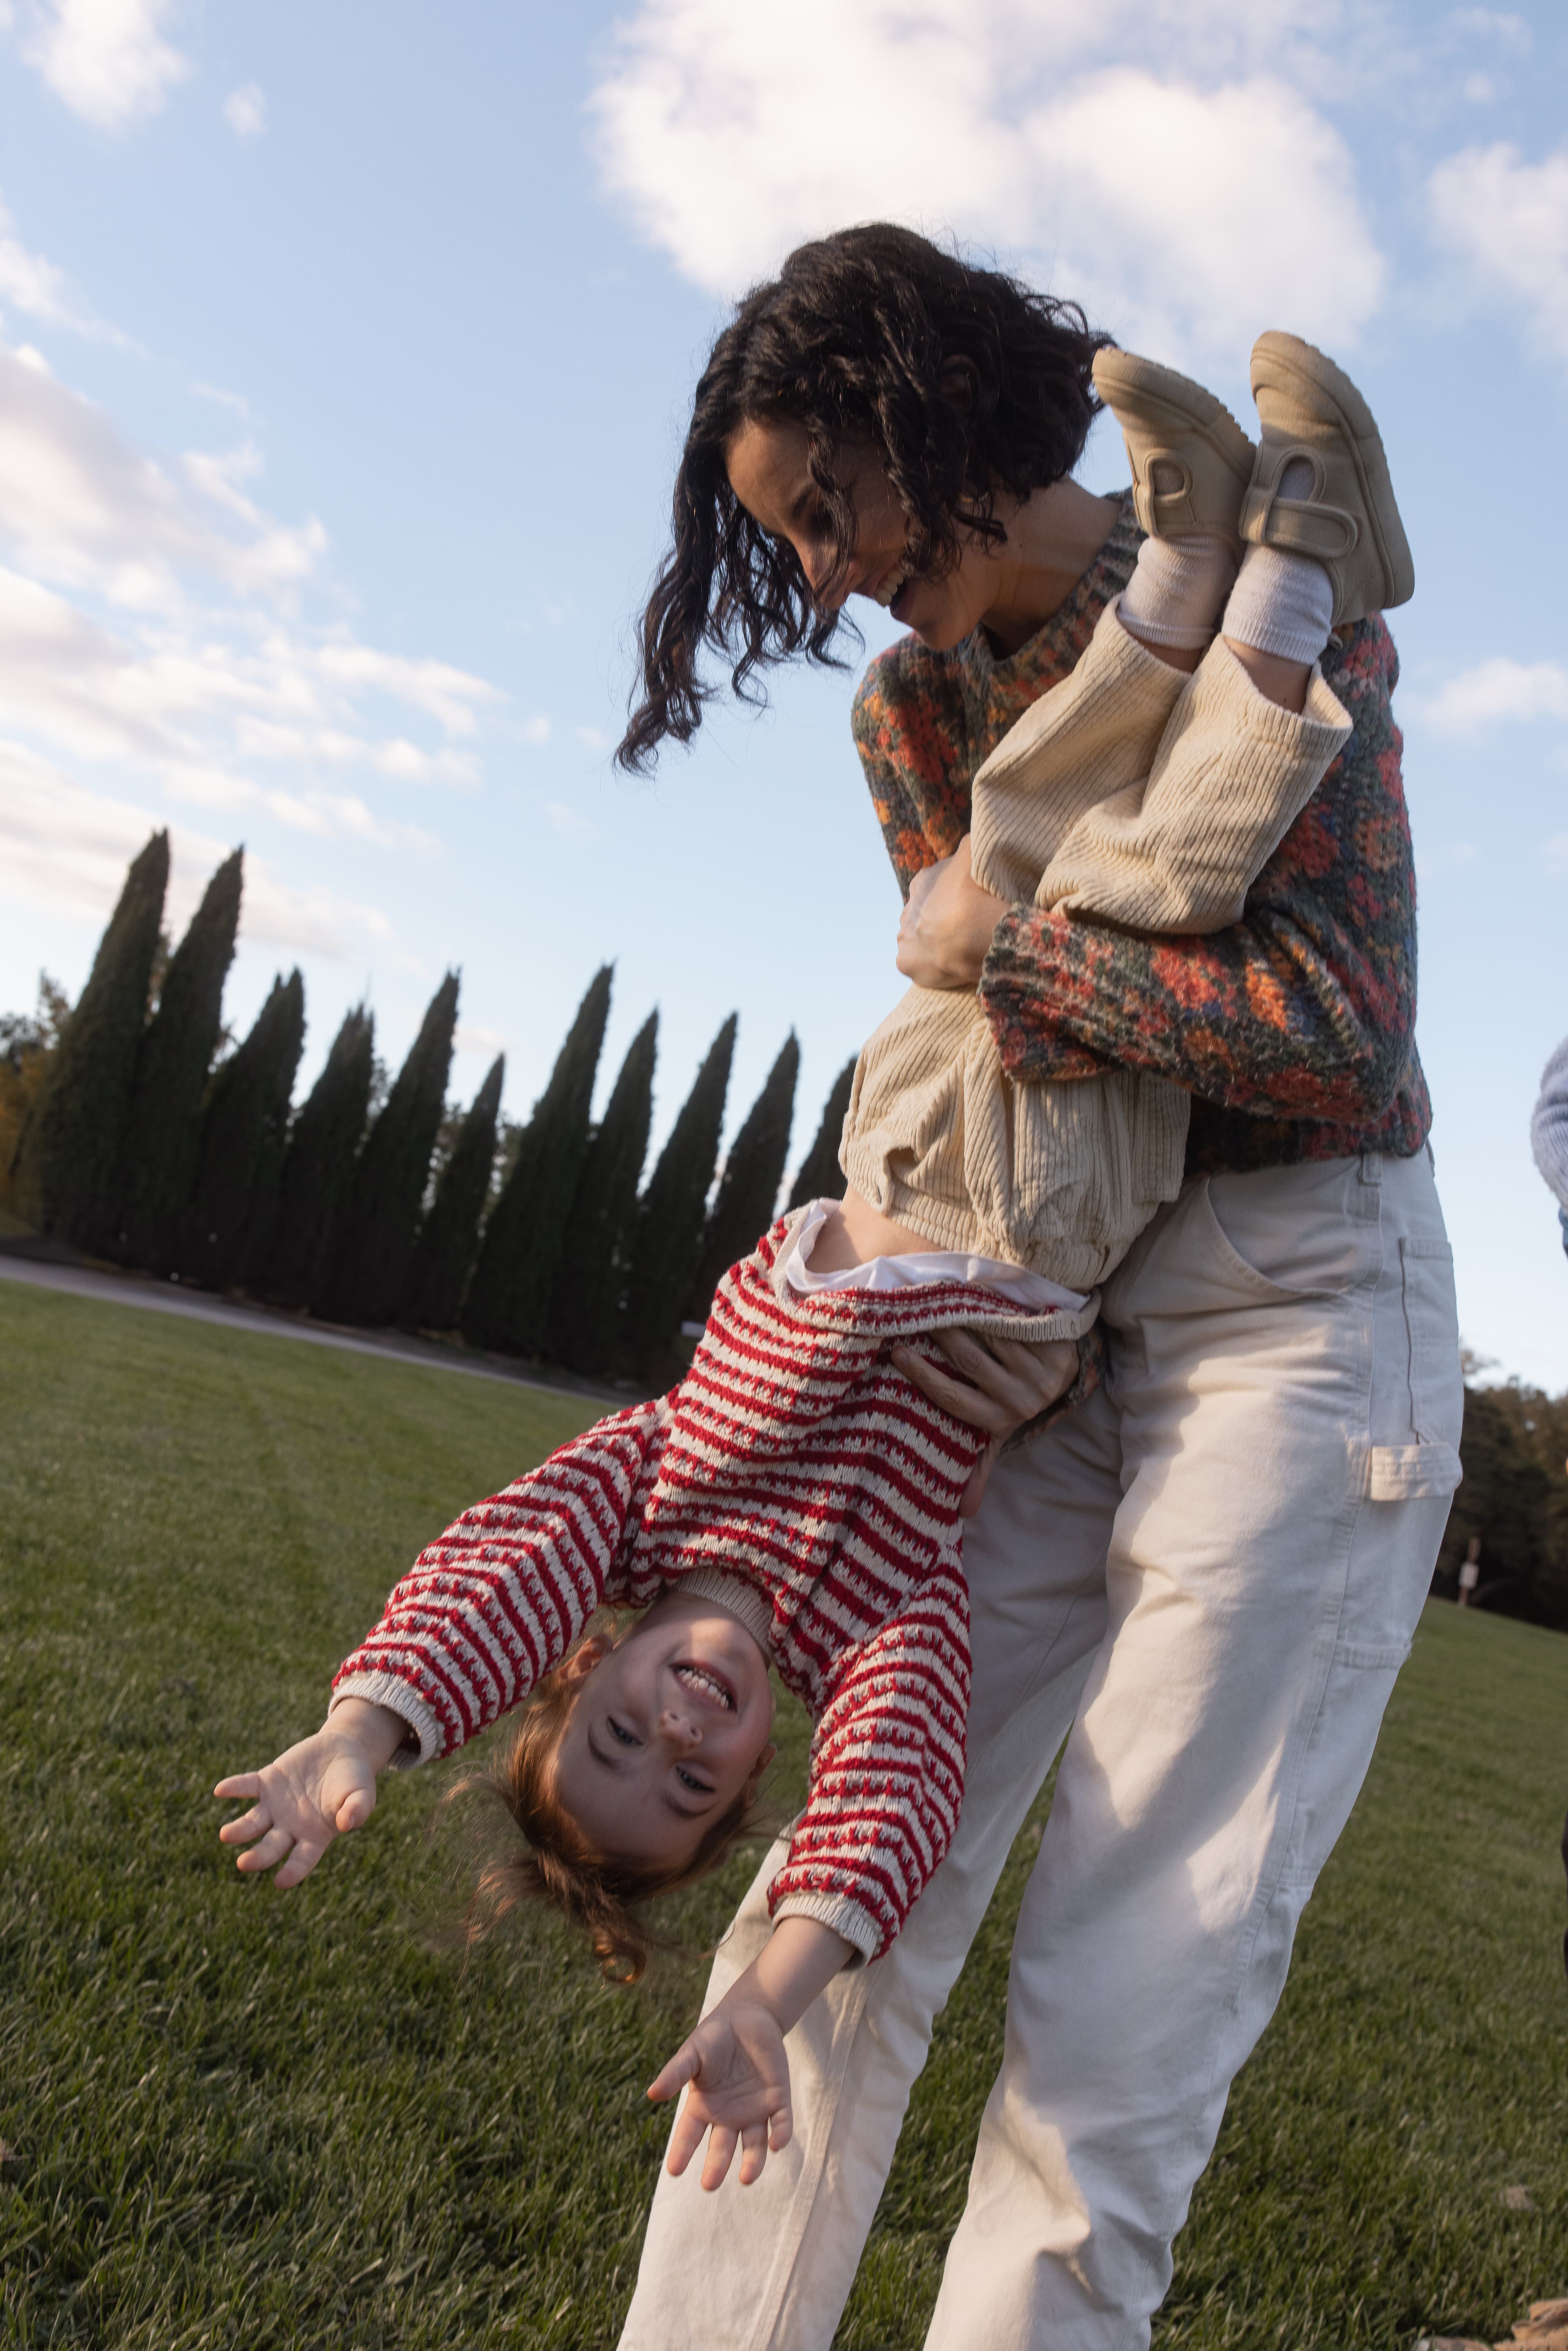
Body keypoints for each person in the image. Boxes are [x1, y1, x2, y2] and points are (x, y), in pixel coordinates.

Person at [212, 332, 1391, 2200]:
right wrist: (767, 1992)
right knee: (1148, 874)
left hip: (899, 1128)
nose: (682, 1728)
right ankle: (1311, 552)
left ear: (587, 1661)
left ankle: (1183, 552)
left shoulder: (637, 1499)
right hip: (1038, 1210)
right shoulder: (883, 1631)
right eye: (695, 1780)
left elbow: (491, 1572)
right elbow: (887, 1815)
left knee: (1025, 835)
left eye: (620, 1727)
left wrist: (364, 1732)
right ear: (749, 1772)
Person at [607, 225, 1463, 2351]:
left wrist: (1013, 955)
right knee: (827, 1928)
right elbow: (1040, 1065)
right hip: (1036, 1318)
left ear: (932, 421)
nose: (819, 579)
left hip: (1300, 1301)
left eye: (828, 511)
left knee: (1120, 2015)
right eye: (786, 544)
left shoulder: (1308, 597)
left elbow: (1335, 1029)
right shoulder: (912, 705)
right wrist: (1039, 986)